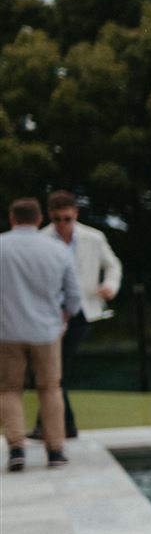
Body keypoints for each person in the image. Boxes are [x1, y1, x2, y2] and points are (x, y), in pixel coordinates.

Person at [0, 196, 81, 471]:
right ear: (39, 219)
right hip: (46, 331)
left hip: (6, 331)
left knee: (8, 389)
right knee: (50, 389)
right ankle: (55, 450)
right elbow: (74, 295)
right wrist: (65, 315)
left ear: (12, 218)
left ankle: (16, 448)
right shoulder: (57, 250)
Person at [35, 190, 121, 439]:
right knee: (52, 370)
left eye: (67, 219)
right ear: (49, 216)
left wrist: (110, 286)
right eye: (57, 219)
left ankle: (52, 425)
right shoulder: (41, 240)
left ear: (75, 214)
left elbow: (113, 265)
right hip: (49, 313)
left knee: (55, 368)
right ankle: (62, 425)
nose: (62, 224)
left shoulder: (93, 238)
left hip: (82, 311)